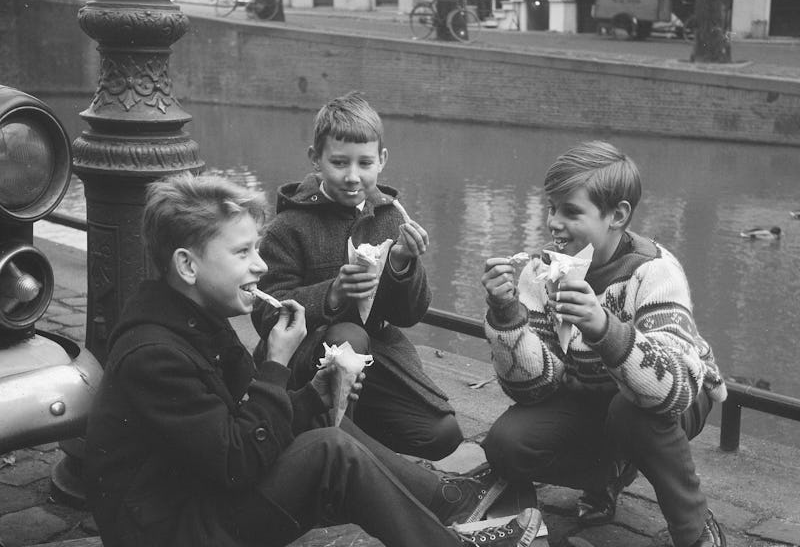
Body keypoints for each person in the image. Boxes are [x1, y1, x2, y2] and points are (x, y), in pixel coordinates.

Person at [83, 172, 542, 547]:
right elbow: (237, 460)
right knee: (329, 451)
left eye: (256, 249)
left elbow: (250, 426)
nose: (260, 266)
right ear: (187, 266)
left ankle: (449, 500)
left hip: (199, 499)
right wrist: (277, 366)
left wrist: (313, 394)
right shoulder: (155, 354)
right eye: (243, 253)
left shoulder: (196, 315)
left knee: (327, 426)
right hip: (168, 529)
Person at [479, 142, 728, 547]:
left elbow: (675, 390)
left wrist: (602, 327)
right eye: (551, 207)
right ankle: (609, 471)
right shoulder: (541, 274)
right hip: (589, 394)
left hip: (673, 398)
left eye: (571, 212)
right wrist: (507, 315)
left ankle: (695, 529)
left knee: (631, 415)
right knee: (507, 445)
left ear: (617, 215)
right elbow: (534, 388)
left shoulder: (655, 271)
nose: (553, 223)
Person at [252, 91, 463, 461]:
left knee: (442, 436)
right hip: (307, 361)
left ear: (381, 160)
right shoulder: (288, 226)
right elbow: (265, 315)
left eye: (365, 163)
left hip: (378, 357)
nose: (353, 177)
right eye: (339, 163)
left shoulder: (391, 217)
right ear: (315, 160)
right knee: (347, 337)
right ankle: (338, 454)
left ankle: (351, 444)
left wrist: (401, 264)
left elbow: (409, 315)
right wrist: (331, 295)